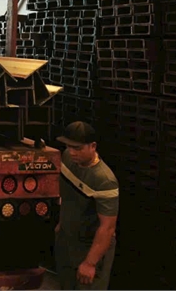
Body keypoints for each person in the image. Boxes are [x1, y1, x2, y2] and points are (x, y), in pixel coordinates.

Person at [54, 121, 119, 290]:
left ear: (93, 146)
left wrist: (90, 262)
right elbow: (67, 196)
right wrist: (62, 223)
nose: (72, 152)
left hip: (90, 246)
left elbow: (108, 227)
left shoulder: (104, 180)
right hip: (68, 240)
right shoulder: (67, 158)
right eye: (69, 147)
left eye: (78, 148)